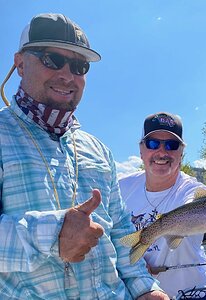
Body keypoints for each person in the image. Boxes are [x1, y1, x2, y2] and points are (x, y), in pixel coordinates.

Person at [0, 13, 169, 300]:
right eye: (51, 60)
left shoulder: (100, 150)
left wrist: (146, 289)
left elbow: (121, 234)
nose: (67, 74)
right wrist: (52, 235)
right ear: (19, 63)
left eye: (79, 66)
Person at [119, 112, 206, 298]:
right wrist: (133, 268)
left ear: (182, 153)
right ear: (141, 150)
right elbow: (109, 236)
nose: (162, 152)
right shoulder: (121, 187)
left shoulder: (192, 189)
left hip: (195, 293)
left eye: (171, 145)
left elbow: (194, 206)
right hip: (142, 293)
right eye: (153, 143)